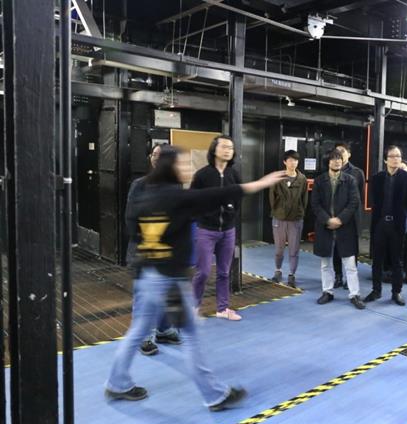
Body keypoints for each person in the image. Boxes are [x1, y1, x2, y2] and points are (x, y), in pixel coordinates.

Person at [105, 145, 284, 409]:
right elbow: (220, 194)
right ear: (170, 167)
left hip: (147, 272)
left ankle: (116, 383)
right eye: (183, 164)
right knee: (189, 334)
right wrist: (260, 183)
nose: (187, 168)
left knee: (139, 330)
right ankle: (214, 395)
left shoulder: (145, 193)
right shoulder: (177, 197)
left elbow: (133, 228)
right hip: (169, 278)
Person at [125, 143, 181, 356]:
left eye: (162, 155)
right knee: (144, 296)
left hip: (167, 251)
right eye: (154, 154)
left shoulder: (175, 186)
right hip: (145, 249)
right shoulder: (139, 185)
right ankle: (144, 337)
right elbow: (131, 218)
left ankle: (164, 330)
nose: (157, 158)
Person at [191, 135, 242, 320]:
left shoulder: (234, 174)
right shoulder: (202, 175)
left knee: (224, 272)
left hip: (228, 231)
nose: (228, 150)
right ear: (214, 149)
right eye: (224, 147)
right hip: (206, 230)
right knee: (203, 272)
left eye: (231, 148)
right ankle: (193, 308)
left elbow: (238, 199)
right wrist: (204, 215)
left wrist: (230, 214)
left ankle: (222, 309)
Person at [312, 149, 365, 310]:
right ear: (328, 161)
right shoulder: (319, 181)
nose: (337, 161)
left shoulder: (350, 180)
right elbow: (315, 204)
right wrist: (328, 220)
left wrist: (340, 219)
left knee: (350, 264)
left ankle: (354, 294)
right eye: (334, 159)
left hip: (345, 228)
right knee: (325, 264)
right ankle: (327, 292)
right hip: (325, 228)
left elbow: (354, 202)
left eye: (339, 159)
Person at [364, 145, 407, 306]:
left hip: (397, 225)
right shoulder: (377, 178)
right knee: (377, 260)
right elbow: (374, 201)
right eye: (392, 156)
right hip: (380, 223)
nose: (396, 159)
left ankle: (396, 292)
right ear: (386, 159)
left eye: (398, 156)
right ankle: (376, 290)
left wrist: (401, 221)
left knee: (397, 260)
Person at [269, 150, 308, 288]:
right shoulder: (278, 178)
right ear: (285, 162)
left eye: (296, 160)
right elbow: (272, 197)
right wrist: (278, 211)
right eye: (290, 160)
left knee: (294, 249)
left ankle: (292, 274)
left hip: (296, 219)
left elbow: (304, 198)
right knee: (279, 249)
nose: (293, 163)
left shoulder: (302, 179)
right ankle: (278, 271)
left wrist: (300, 212)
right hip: (279, 218)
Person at [332, 143, 365, 290]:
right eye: (337, 151)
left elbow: (360, 196)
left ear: (349, 154)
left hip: (351, 218)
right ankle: (338, 276)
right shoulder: (331, 170)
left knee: (352, 250)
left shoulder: (357, 172)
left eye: (342, 151)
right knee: (336, 249)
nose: (340, 154)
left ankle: (349, 279)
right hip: (335, 217)